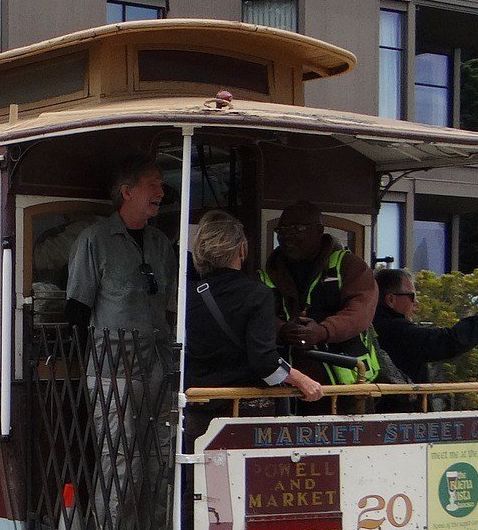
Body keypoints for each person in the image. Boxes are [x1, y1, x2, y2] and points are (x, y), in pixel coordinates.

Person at [185, 211, 324, 403]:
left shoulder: (188, 295)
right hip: (242, 406)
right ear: (242, 249)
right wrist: (301, 379)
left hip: (197, 402)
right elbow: (265, 362)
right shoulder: (257, 295)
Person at [260, 201, 380, 385]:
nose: (287, 236)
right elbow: (256, 315)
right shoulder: (267, 273)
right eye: (282, 230)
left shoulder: (349, 266)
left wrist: (323, 331)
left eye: (298, 228)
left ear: (319, 230)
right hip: (288, 386)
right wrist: (281, 328)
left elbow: (361, 311)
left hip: (347, 387)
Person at [64, 155, 175, 340]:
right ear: (127, 192)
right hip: (114, 363)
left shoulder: (161, 243)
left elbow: (170, 306)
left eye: (160, 185)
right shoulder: (94, 240)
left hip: (157, 362)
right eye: (152, 185)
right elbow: (78, 310)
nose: (161, 193)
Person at [373, 269, 478, 383]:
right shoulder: (395, 331)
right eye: (412, 296)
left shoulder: (371, 325)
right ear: (390, 299)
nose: (416, 302)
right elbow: (451, 341)